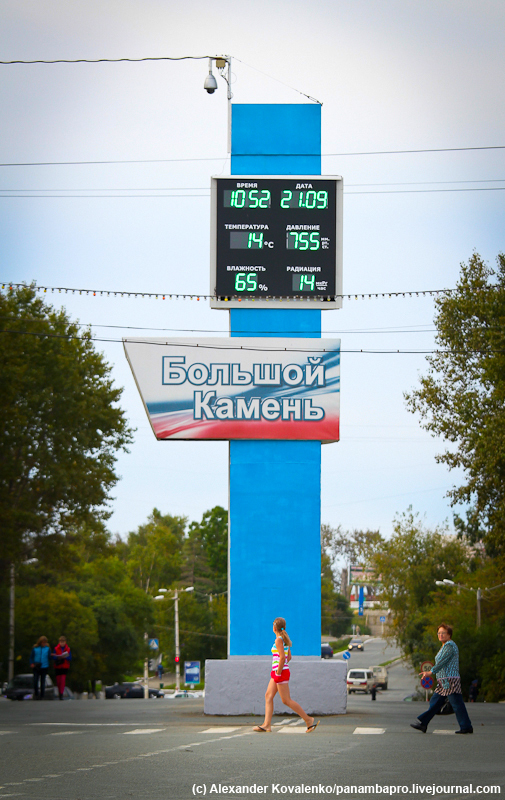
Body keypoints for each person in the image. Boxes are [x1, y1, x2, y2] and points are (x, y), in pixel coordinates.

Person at [252, 617, 319, 734]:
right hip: (278, 672)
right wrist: (278, 669)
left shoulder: (279, 640)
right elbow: (289, 657)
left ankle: (309, 720)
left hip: (280, 672)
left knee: (286, 700)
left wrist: (279, 671)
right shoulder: (283, 640)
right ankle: (267, 725)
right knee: (268, 696)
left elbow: (283, 658)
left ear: (274, 627)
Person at [410, 623, 473, 734]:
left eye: (443, 633)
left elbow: (442, 662)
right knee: (435, 702)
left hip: (450, 680)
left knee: (457, 704)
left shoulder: (450, 645)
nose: (440, 635)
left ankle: (466, 726)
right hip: (443, 681)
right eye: (439, 633)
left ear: (449, 634)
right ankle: (423, 723)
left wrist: (430, 672)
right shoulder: (444, 646)